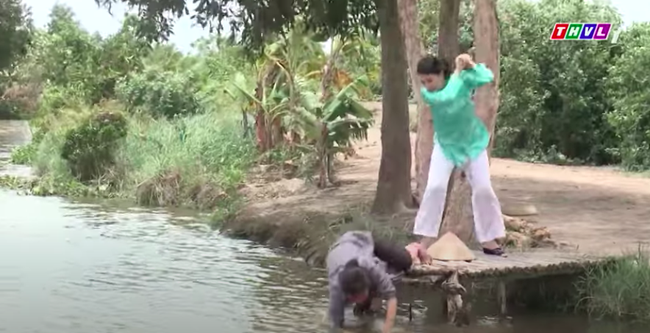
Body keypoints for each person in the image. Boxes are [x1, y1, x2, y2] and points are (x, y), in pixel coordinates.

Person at [414, 53, 506, 257]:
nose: (426, 85)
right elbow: (449, 96)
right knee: (435, 187)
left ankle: (489, 238)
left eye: (430, 80)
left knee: (483, 189)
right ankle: (426, 239)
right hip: (446, 146)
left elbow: (486, 77)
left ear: (440, 74)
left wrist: (471, 65)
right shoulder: (431, 94)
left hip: (473, 144)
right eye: (423, 81)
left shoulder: (461, 80)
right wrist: (457, 71)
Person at [326, 231, 425, 333]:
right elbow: (335, 326)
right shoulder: (336, 290)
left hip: (362, 241)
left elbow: (391, 296)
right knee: (360, 310)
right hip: (339, 250)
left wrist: (387, 329)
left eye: (360, 297)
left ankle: (414, 247)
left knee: (405, 261)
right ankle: (365, 312)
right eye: (355, 299)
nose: (358, 300)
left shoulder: (370, 267)